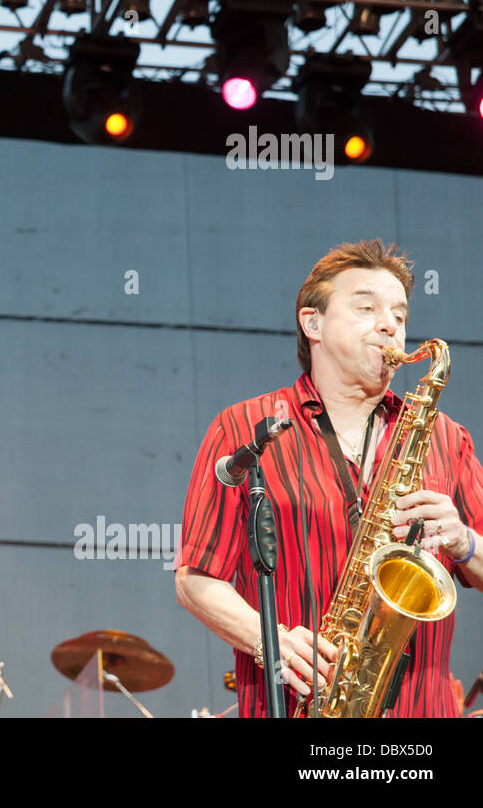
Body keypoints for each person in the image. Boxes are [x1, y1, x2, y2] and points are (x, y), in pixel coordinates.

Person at [175, 239, 483, 717]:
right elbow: (196, 577)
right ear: (312, 323)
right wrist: (270, 641)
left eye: (400, 316)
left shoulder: (447, 438)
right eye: (366, 307)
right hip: (301, 705)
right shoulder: (244, 429)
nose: (390, 325)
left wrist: (464, 542)